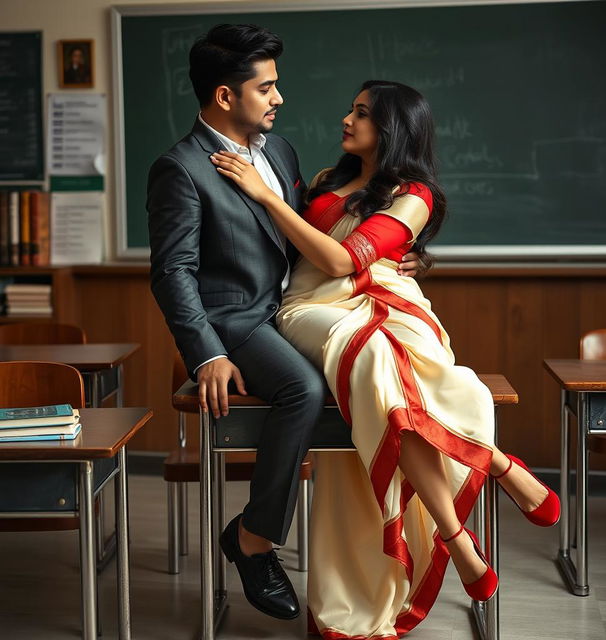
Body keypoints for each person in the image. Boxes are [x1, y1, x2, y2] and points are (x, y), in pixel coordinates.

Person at [211, 79, 561, 638]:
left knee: (398, 376)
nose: (348, 120)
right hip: (309, 309)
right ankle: (493, 468)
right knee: (377, 356)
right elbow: (303, 258)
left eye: (364, 114)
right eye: (351, 109)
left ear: (394, 128)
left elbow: (342, 258)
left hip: (381, 299)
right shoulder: (328, 181)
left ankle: (455, 536)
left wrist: (267, 195)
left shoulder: (415, 193)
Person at [147, 26, 424, 622]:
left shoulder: (282, 152)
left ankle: (376, 558)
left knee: (389, 373)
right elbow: (173, 274)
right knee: (303, 390)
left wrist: (388, 249)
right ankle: (254, 541)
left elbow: (304, 236)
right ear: (226, 96)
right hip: (237, 318)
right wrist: (207, 356)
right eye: (267, 87)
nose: (279, 98)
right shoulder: (180, 168)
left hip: (299, 312)